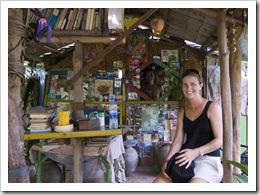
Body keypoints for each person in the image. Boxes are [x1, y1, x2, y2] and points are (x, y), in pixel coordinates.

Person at [153, 68, 223, 183]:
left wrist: (196, 152)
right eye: (185, 85)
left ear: (200, 86)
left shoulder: (213, 107)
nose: (188, 88)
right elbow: (178, 140)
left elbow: (220, 140)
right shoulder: (183, 110)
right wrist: (168, 160)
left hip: (208, 160)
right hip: (184, 158)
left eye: (193, 84)